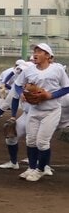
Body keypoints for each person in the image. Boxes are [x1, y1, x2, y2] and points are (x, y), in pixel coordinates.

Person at [9, 41, 69, 183]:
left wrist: (50, 95)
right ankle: (31, 168)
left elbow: (66, 88)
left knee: (42, 142)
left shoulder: (57, 70)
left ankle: (40, 170)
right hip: (34, 110)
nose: (35, 53)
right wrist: (21, 93)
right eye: (35, 51)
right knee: (30, 141)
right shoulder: (29, 70)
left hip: (51, 110)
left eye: (39, 51)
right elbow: (17, 85)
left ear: (48, 56)